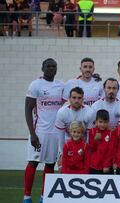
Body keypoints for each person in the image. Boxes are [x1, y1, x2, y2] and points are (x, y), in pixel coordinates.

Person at [24, 58, 64, 203]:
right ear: (42, 68)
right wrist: (32, 133)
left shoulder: (60, 85)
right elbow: (28, 109)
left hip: (55, 134)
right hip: (39, 132)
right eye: (48, 66)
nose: (51, 69)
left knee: (50, 164)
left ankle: (43, 197)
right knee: (33, 162)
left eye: (54, 66)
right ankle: (27, 197)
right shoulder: (36, 85)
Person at [55, 87, 93, 155]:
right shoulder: (62, 112)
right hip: (67, 144)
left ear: (83, 99)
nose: (76, 100)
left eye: (79, 98)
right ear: (69, 99)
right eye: (74, 97)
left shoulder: (89, 112)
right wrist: (63, 153)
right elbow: (60, 137)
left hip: (83, 145)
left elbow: (89, 136)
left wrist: (86, 151)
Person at [88, 109, 115, 174]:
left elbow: (110, 150)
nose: (102, 124)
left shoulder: (111, 133)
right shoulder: (92, 131)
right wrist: (95, 140)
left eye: (105, 122)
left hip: (106, 166)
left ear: (108, 122)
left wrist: (107, 165)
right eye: (100, 122)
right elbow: (91, 148)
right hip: (94, 165)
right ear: (96, 122)